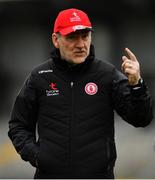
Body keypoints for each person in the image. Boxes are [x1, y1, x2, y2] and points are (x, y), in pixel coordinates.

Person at [8, 8, 153, 179]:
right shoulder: (39, 77)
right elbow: (18, 126)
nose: (81, 44)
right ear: (56, 39)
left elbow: (141, 119)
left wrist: (137, 85)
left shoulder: (107, 75)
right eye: (72, 37)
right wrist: (37, 157)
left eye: (85, 36)